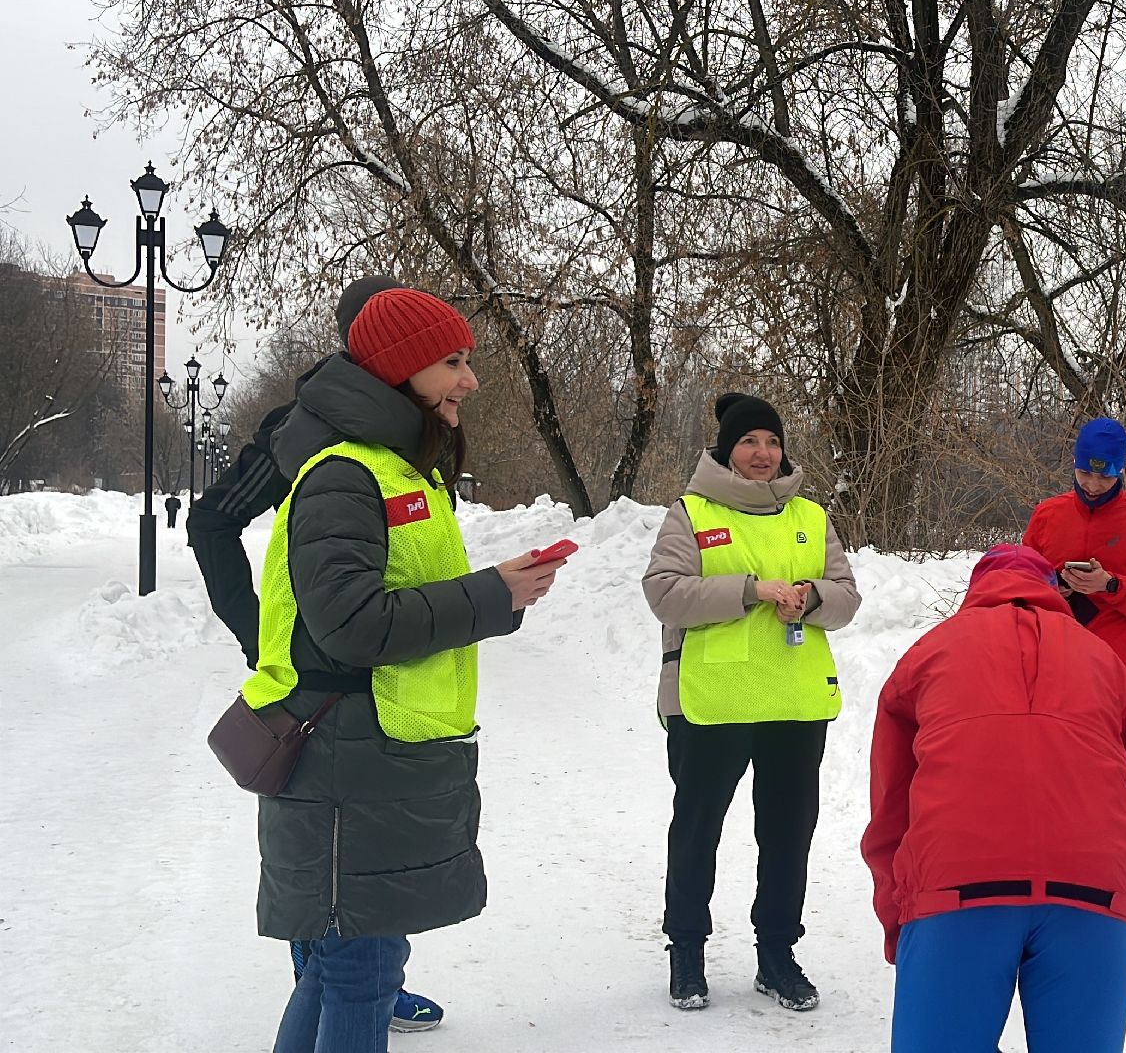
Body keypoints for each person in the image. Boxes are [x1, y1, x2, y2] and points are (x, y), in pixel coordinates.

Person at [244, 287, 565, 1052]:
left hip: (384, 759)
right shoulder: (344, 476)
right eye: (452, 362)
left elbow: (395, 599)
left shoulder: (398, 471)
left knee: (345, 966)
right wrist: (491, 596)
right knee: (359, 969)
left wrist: (495, 590)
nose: (469, 380)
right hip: (346, 765)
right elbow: (350, 625)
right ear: (399, 371)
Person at [188, 275, 451, 1032]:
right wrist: (259, 635)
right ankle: (337, 983)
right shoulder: (297, 430)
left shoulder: (416, 433)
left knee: (371, 872)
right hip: (325, 682)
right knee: (332, 881)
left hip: (397, 684)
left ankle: (363, 980)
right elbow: (212, 525)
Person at [861, 544, 1126, 1053]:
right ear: (1051, 589)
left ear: (977, 590)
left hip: (956, 887)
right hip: (1097, 892)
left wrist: (900, 913)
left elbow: (891, 803)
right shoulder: (1105, 662)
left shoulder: (928, 654)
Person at [642, 393, 862, 1013]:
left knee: (788, 835)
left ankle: (777, 955)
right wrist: (749, 590)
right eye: (748, 442)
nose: (763, 454)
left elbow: (847, 596)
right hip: (710, 703)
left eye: (771, 441)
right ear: (725, 449)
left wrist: (811, 598)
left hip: (793, 702)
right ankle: (687, 950)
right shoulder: (691, 514)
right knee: (696, 831)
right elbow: (664, 593)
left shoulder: (812, 517)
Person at [1021, 417, 1126, 692]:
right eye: (1085, 473)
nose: (1093, 486)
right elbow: (1016, 588)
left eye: (1105, 476)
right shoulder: (1047, 514)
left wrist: (1111, 586)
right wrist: (1048, 588)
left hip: (1117, 673)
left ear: (1121, 470)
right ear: (1074, 463)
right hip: (1049, 667)